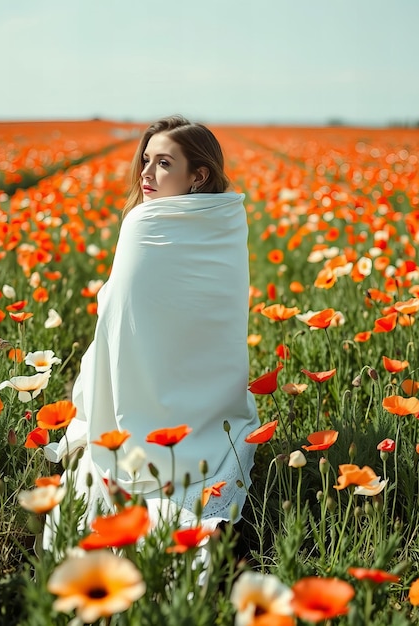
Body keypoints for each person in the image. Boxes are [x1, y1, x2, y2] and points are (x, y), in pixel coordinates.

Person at [44, 115, 259, 538]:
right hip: (198, 400)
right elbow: (123, 315)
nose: (145, 172)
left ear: (198, 175)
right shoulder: (219, 221)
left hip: (185, 387)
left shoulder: (208, 222)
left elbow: (211, 318)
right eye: (146, 159)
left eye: (163, 163)